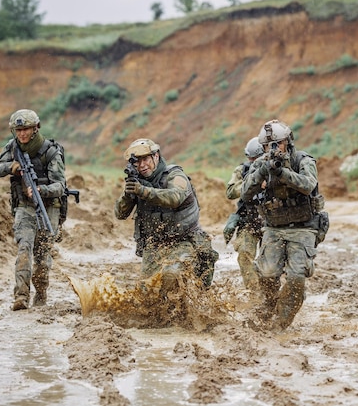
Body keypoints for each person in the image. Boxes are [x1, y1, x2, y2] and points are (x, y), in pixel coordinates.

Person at [241, 119, 325, 331]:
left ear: (288, 141)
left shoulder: (302, 160)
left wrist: (282, 173)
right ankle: (269, 306)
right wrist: (262, 170)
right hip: (274, 227)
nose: (274, 149)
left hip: (303, 226)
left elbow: (308, 185)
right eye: (269, 145)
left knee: (296, 278)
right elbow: (245, 193)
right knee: (267, 274)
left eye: (278, 143)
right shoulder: (261, 164)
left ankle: (280, 325)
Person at [114, 138, 218, 294]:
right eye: (137, 162)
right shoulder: (137, 182)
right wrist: (129, 194)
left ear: (156, 156)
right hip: (155, 245)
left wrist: (143, 191)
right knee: (146, 293)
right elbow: (120, 214)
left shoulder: (175, 175)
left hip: (184, 241)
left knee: (171, 276)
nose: (142, 165)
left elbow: (174, 198)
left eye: (146, 160)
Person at [0, 109, 66, 311]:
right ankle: (21, 297)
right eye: (18, 130)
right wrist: (12, 167)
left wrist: (42, 190)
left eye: (26, 129)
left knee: (42, 257)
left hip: (49, 207)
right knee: (24, 247)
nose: (22, 134)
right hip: (24, 207)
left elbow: (60, 186)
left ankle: (41, 295)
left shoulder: (50, 151)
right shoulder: (12, 147)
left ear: (35, 129)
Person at [224, 137, 265, 293]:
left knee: (270, 264)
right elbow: (230, 192)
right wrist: (252, 183)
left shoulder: (275, 169)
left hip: (271, 223)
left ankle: (270, 292)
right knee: (244, 256)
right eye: (250, 158)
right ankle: (255, 294)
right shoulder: (243, 170)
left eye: (254, 158)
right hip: (249, 221)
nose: (252, 161)